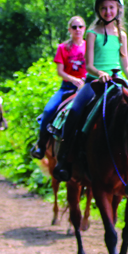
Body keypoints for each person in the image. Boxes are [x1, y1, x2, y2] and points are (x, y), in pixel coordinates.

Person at [52, 0, 128, 181]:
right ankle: (64, 159)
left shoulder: (122, 35)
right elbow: (89, 64)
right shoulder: (92, 33)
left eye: (111, 7)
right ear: (98, 10)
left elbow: (125, 64)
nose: (108, 11)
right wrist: (100, 73)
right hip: (95, 83)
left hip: (119, 82)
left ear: (118, 9)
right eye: (103, 8)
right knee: (75, 111)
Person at [32, 16, 88, 159]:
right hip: (66, 87)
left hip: (85, 88)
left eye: (80, 26)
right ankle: (41, 145)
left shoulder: (89, 47)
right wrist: (74, 79)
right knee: (48, 110)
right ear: (69, 30)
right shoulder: (63, 48)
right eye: (74, 27)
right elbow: (60, 71)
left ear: (85, 29)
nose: (77, 30)